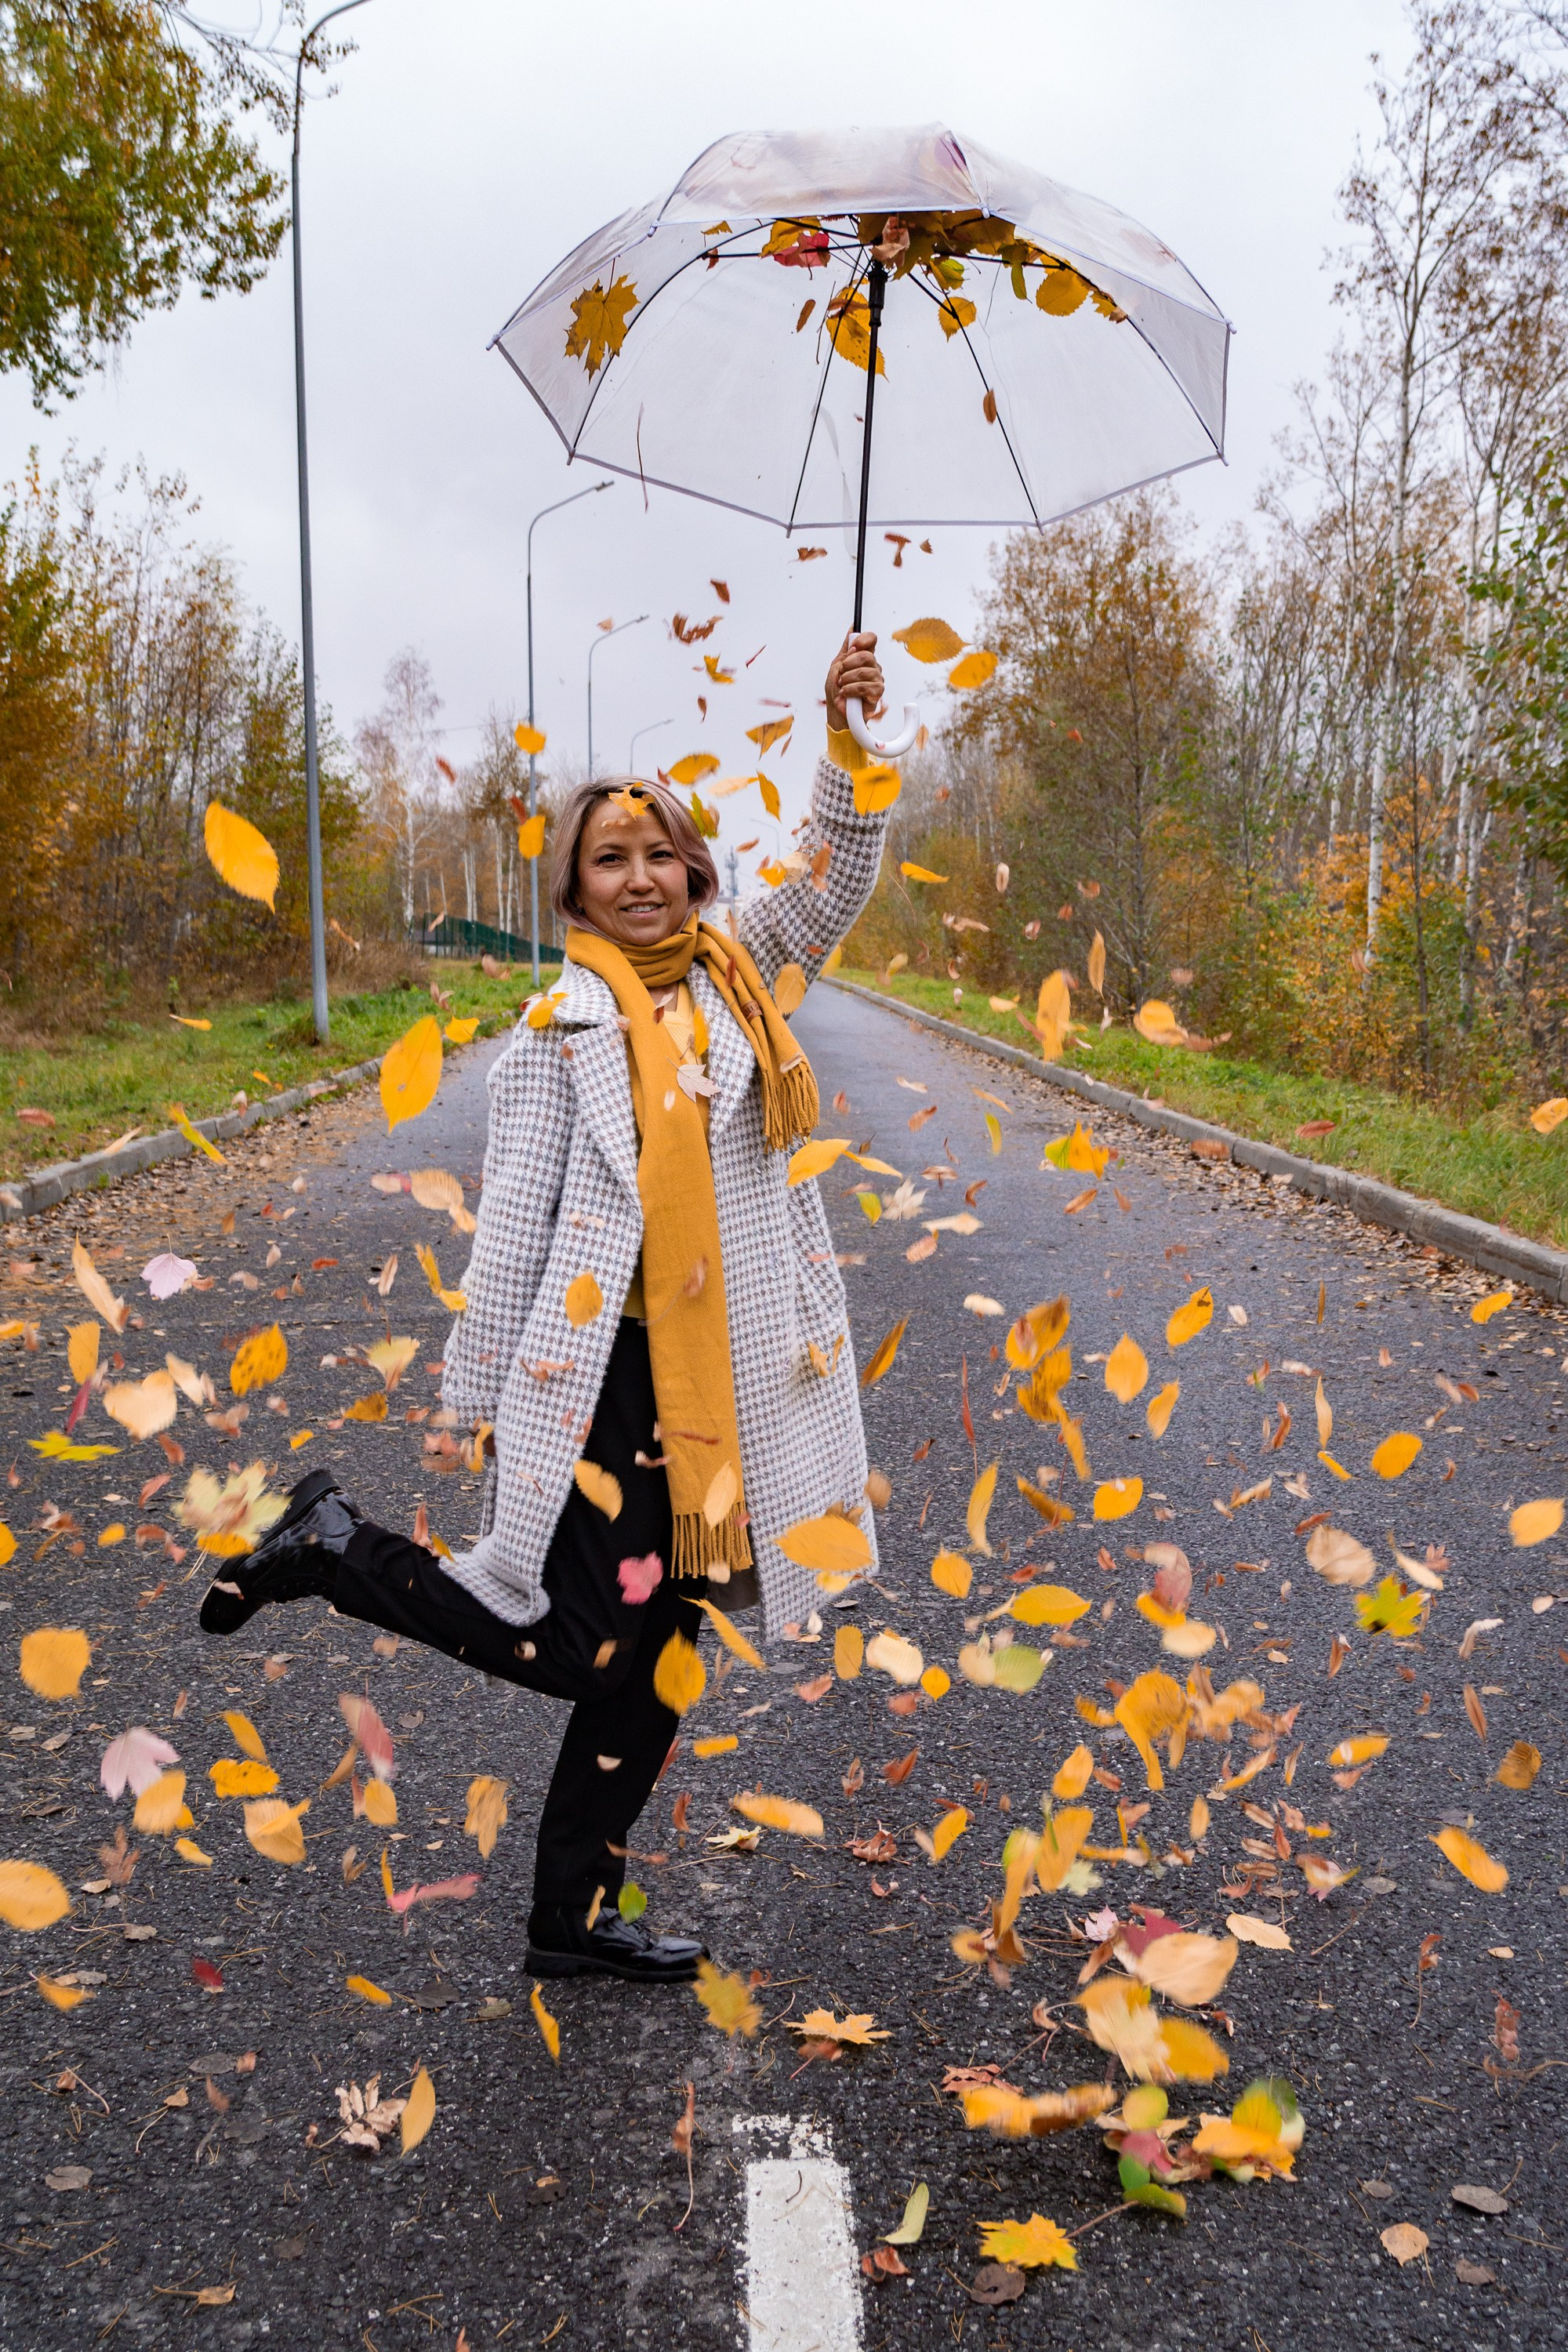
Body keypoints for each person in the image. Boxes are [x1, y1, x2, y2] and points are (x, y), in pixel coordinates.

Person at [200, 631, 894, 1985]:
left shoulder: (741, 973)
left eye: (661, 856)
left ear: (696, 869)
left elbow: (833, 877)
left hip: (720, 1385)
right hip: (606, 1385)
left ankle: (569, 1919)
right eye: (610, 860)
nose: (641, 880)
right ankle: (339, 1549)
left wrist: (851, 744)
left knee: (654, 1664)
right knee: (585, 1644)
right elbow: (514, 1229)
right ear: (574, 885)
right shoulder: (556, 1033)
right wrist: (470, 1398)